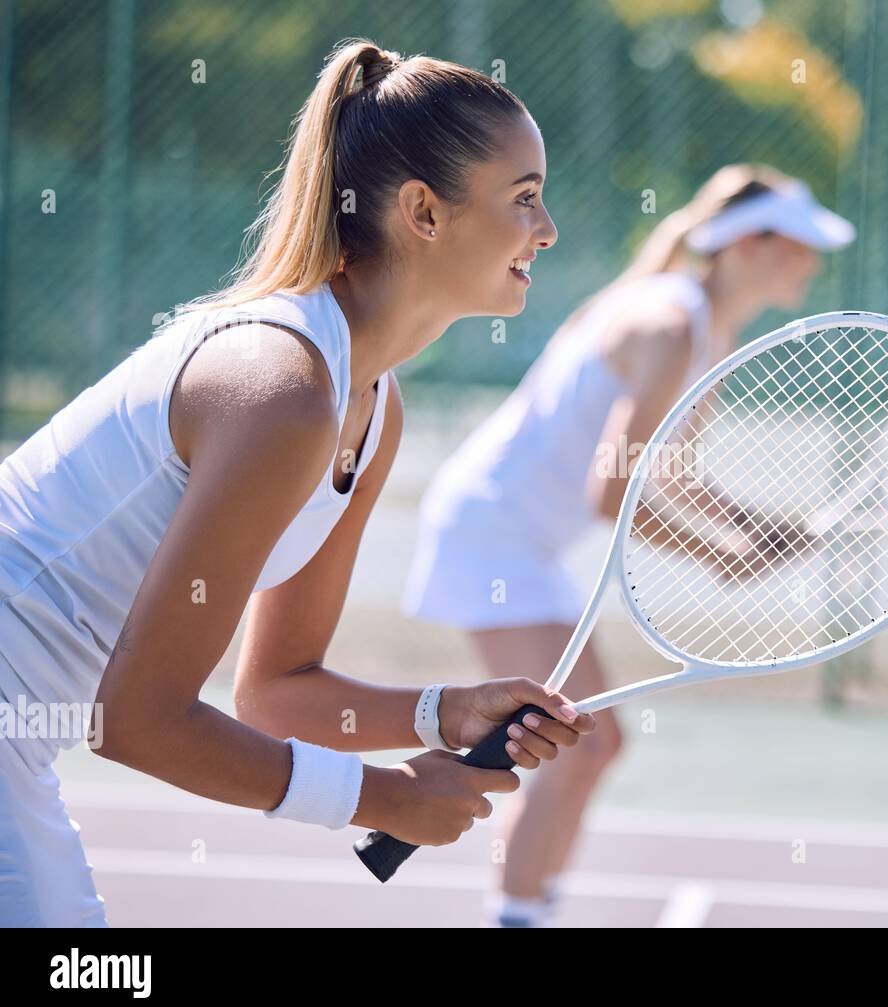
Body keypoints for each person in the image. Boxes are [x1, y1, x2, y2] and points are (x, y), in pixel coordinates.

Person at [0, 39, 595, 928]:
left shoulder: (369, 406)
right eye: (524, 199)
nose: (547, 229)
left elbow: (275, 689)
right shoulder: (283, 392)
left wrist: (447, 714)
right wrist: (387, 801)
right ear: (423, 213)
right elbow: (136, 721)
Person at [403, 164, 855, 926]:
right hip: (490, 532)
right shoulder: (672, 325)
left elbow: (668, 476)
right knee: (582, 745)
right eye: (797, 243)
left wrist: (756, 525)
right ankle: (514, 913)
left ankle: (528, 908)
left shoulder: (705, 329)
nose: (810, 261)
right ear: (745, 245)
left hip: (520, 543)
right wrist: (719, 556)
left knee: (588, 746)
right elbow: (611, 493)